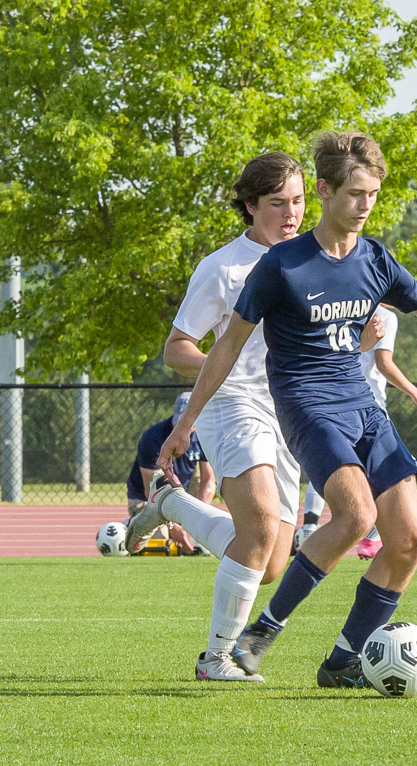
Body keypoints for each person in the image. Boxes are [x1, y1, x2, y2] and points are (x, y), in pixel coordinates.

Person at [157, 130, 417, 688]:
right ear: (324, 190)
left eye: (372, 194)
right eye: (354, 194)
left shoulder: (376, 261)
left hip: (362, 406)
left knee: (411, 540)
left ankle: (342, 660)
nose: (365, 205)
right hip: (304, 406)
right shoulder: (282, 266)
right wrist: (186, 424)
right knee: (355, 515)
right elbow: (223, 348)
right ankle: (257, 637)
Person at [126, 152, 320, 681]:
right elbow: (176, 349)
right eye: (278, 202)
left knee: (271, 560)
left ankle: (173, 505)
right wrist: (224, 370)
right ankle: (215, 660)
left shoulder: (314, 260)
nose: (291, 213)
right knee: (256, 529)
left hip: (290, 411)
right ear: (250, 205)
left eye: (299, 201)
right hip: (228, 403)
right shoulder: (223, 267)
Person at [299, 303, 417, 560]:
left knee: (330, 465)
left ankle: (309, 526)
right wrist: (414, 392)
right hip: (367, 405)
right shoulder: (385, 317)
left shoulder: (337, 307)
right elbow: (384, 363)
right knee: (390, 471)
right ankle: (371, 536)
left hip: (331, 402)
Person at [125, 392, 213, 555]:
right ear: (173, 410)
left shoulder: (204, 436)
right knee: (161, 548)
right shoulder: (152, 438)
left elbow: (208, 482)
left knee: (204, 546)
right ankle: (131, 523)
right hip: (148, 501)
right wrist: (175, 527)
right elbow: (153, 491)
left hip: (180, 496)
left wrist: (198, 518)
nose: (183, 427)